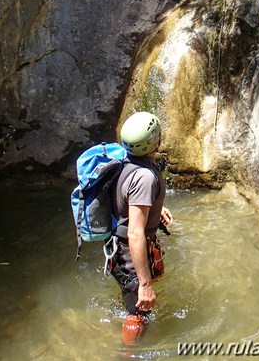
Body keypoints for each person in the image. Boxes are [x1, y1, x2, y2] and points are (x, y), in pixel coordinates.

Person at [108, 111, 173, 346]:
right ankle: (126, 353)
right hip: (128, 250)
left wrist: (157, 209)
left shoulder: (126, 160)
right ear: (155, 141)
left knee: (131, 300)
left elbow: (127, 199)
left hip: (118, 245)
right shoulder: (144, 177)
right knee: (138, 311)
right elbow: (136, 234)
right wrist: (144, 285)